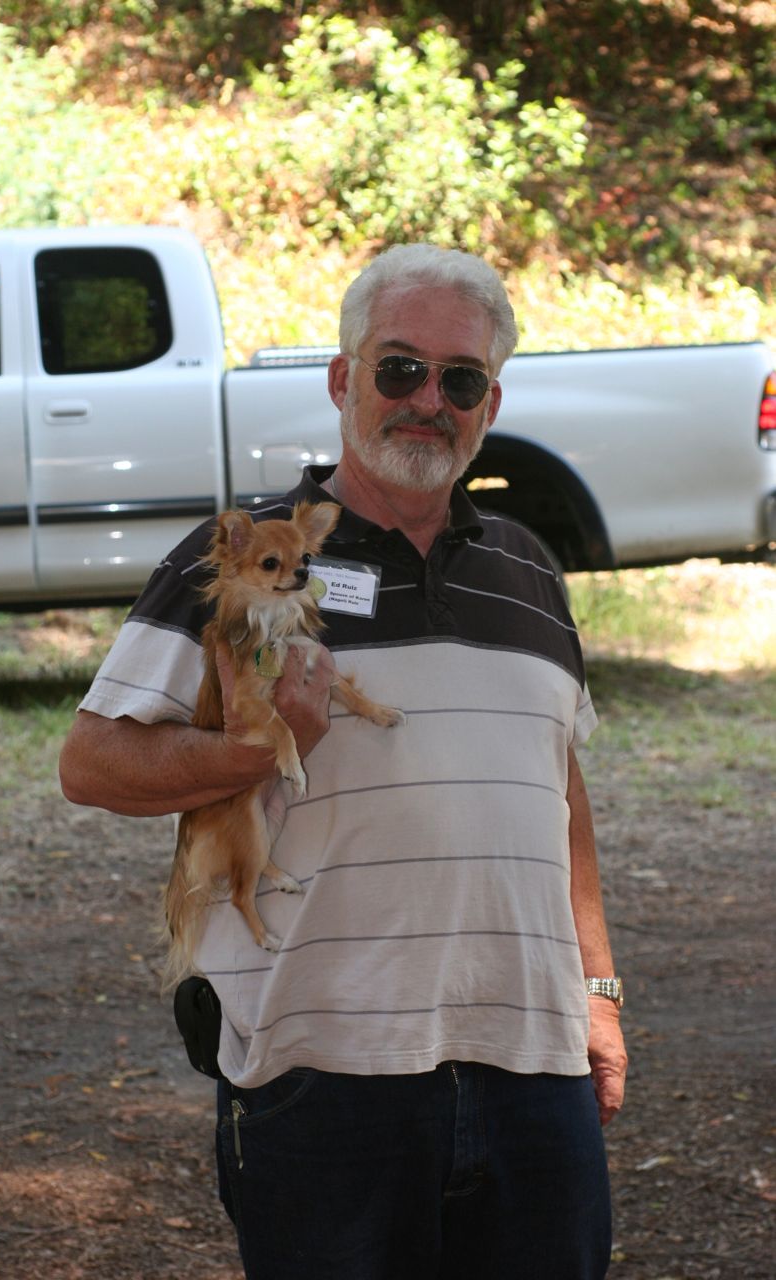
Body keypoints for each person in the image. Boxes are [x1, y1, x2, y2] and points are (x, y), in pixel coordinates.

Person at [60, 243, 628, 1279]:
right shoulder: (234, 559)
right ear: (341, 377)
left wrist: (595, 990)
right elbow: (93, 762)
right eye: (398, 367)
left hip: (533, 1076)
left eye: (458, 380)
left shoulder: (528, 571)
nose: (427, 400)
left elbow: (559, 788)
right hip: (322, 1077)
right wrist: (247, 749)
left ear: (488, 401)